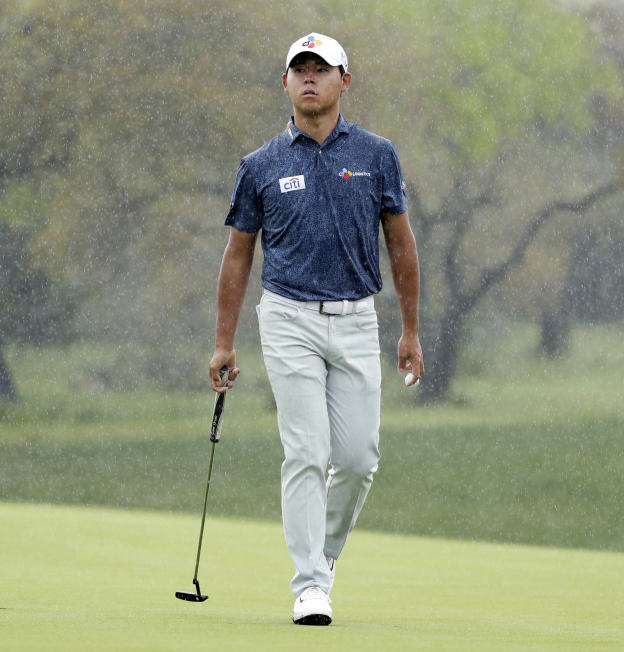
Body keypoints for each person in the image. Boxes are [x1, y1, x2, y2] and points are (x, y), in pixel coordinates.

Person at [208, 32, 423, 626]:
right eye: (299, 70)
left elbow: (400, 244)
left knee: (357, 459)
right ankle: (308, 586)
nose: (309, 78)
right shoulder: (260, 165)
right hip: (287, 319)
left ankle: (321, 559)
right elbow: (237, 256)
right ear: (285, 83)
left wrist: (410, 329)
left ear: (344, 81)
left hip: (357, 319)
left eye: (321, 70)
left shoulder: (378, 155)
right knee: (306, 451)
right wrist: (224, 342)